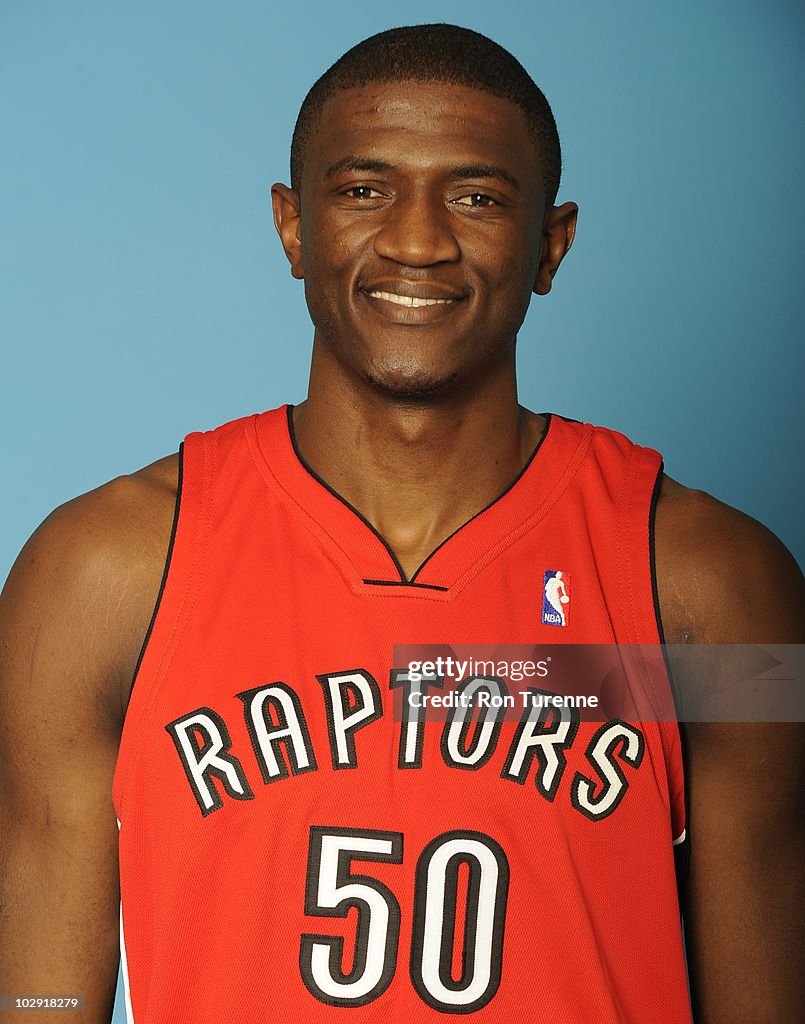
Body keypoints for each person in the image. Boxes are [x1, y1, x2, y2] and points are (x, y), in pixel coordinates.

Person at [0, 23, 802, 1024]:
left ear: (549, 244)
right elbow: (32, 1000)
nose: (417, 240)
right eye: (362, 190)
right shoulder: (98, 574)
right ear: (293, 228)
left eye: (476, 196)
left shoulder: (718, 586)